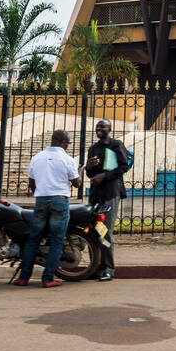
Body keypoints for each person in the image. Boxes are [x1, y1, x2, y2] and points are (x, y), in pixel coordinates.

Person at [13, 130, 82, 288]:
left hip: (42, 200)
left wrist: (41, 192)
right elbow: (76, 183)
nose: (67, 146)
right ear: (62, 142)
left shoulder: (37, 158)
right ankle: (47, 278)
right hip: (59, 201)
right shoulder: (67, 159)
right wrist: (80, 171)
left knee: (33, 239)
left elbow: (32, 182)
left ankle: (24, 277)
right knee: (57, 241)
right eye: (66, 143)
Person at [84, 119, 132, 281]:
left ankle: (108, 268)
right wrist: (89, 167)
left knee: (104, 231)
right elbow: (90, 175)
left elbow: (124, 167)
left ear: (109, 129)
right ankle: (95, 266)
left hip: (110, 194)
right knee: (93, 231)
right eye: (98, 126)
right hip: (95, 195)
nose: (99, 128)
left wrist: (104, 175)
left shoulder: (116, 145)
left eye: (103, 126)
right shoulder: (93, 148)